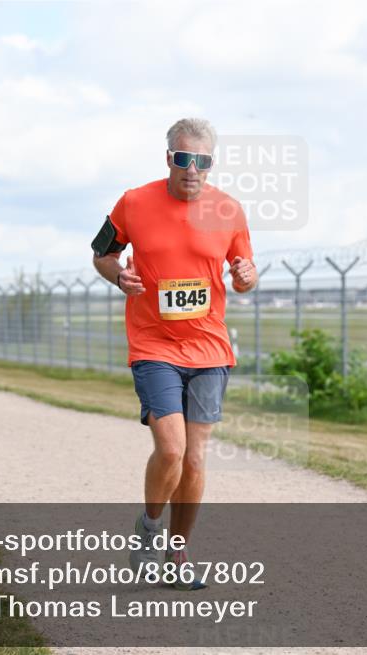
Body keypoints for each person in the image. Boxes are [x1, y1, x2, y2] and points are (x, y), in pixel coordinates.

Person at [91, 118, 257, 591]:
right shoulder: (133, 202)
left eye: (202, 161)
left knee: (197, 459)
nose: (192, 169)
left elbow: (244, 272)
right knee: (171, 449)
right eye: (184, 158)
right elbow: (101, 253)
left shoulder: (229, 210)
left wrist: (246, 277)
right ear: (169, 158)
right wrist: (116, 275)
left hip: (209, 348)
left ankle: (178, 551)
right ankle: (148, 527)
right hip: (154, 344)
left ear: (211, 164)